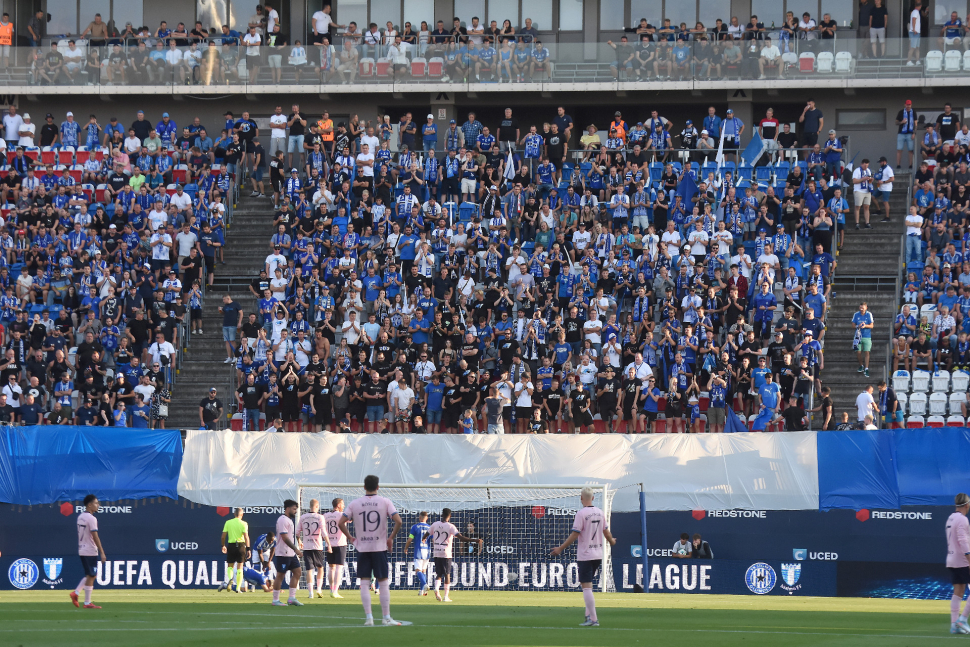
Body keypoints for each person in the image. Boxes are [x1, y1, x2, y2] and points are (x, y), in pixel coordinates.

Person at [337, 475, 406, 626]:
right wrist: (390, 537)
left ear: (364, 487)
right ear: (377, 487)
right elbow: (399, 521)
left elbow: (341, 522)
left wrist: (349, 537)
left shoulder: (355, 503)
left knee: (364, 582)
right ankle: (386, 618)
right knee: (383, 582)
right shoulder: (385, 502)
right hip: (379, 547)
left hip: (362, 547)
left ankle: (369, 618)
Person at [551, 486, 616, 627]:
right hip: (598, 554)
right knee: (589, 587)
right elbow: (606, 532)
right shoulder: (600, 512)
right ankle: (588, 617)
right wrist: (611, 542)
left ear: (581, 498)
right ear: (592, 498)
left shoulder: (581, 514)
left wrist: (561, 548)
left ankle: (593, 619)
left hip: (586, 555)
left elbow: (575, 534)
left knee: (586, 587)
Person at [429, 508, 482, 602]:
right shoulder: (451, 526)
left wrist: (424, 539)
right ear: (450, 516)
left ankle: (437, 588)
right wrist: (475, 540)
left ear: (442, 515)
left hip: (436, 552)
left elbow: (427, 534)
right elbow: (461, 538)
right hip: (446, 553)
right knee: (447, 574)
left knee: (439, 574)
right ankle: (446, 596)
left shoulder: (435, 524)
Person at [70, 494, 106, 609]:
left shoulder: (80, 516)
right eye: (96, 503)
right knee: (92, 574)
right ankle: (84, 600)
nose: (98, 505)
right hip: (90, 550)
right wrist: (102, 552)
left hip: (82, 549)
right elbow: (95, 536)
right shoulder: (92, 518)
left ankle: (79, 595)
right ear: (89, 505)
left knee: (90, 575)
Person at [270, 499, 304, 606]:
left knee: (298, 572)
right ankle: (275, 600)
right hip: (283, 552)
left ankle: (291, 598)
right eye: (294, 509)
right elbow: (284, 538)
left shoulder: (289, 520)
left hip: (290, 553)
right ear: (288, 508)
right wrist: (296, 549)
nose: (295, 511)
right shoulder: (283, 520)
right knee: (280, 575)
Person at [299, 498, 333, 599]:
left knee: (309, 570)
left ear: (310, 506)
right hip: (317, 547)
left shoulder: (303, 517)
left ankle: (310, 593)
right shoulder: (320, 517)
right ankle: (318, 589)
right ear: (317, 506)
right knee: (320, 568)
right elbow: (323, 532)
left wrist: (299, 541)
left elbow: (297, 532)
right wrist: (329, 544)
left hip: (307, 547)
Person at [946, 492, 970, 634]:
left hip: (952, 558)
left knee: (958, 592)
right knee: (959, 592)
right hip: (962, 560)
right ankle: (962, 620)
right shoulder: (962, 519)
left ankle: (954, 625)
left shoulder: (951, 517)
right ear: (967, 504)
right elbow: (963, 541)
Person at [217, 507, 250, 593]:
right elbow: (246, 537)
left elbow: (223, 536)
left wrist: (223, 545)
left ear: (234, 514)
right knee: (240, 568)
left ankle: (231, 579)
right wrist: (248, 549)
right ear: (242, 514)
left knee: (230, 566)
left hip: (231, 545)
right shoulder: (244, 523)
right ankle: (238, 588)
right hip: (241, 545)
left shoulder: (228, 522)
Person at [403, 511, 432, 596]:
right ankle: (422, 591)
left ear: (419, 518)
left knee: (418, 570)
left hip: (419, 551)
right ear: (426, 518)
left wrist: (406, 548)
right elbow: (433, 540)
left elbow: (410, 539)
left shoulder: (415, 527)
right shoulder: (430, 528)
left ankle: (425, 585)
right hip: (427, 551)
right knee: (424, 570)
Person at [324, 498, 347, 598]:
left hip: (329, 544)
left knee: (331, 568)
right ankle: (335, 591)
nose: (344, 506)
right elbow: (352, 518)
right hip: (340, 543)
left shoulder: (325, 516)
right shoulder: (342, 515)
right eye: (342, 504)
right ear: (338, 505)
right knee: (339, 567)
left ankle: (331, 590)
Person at [853, 302, 874, 377]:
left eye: (863, 307)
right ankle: (861, 365)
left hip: (867, 336)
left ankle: (866, 368)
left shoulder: (869, 314)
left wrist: (865, 326)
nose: (861, 309)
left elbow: (872, 325)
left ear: (866, 308)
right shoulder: (856, 314)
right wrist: (857, 326)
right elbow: (852, 324)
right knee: (858, 352)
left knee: (867, 352)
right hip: (858, 336)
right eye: (860, 307)